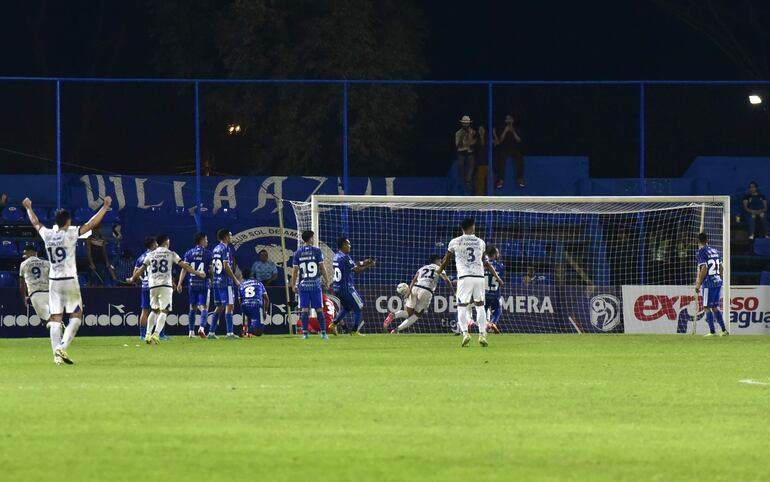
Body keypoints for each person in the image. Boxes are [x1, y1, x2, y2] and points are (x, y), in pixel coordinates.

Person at [23, 195, 113, 365]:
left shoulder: (48, 235)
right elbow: (92, 224)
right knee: (76, 315)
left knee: (56, 318)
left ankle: (57, 357)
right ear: (68, 221)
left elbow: (36, 223)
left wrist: (29, 208)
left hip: (54, 281)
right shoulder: (71, 233)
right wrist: (105, 206)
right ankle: (62, 346)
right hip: (69, 280)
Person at [128, 234, 205, 344]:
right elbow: (185, 266)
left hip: (153, 285)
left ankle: (148, 335)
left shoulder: (150, 254)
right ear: (166, 242)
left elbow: (140, 269)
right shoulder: (171, 254)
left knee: (154, 310)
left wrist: (133, 278)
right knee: (164, 311)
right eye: (169, 240)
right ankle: (156, 334)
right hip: (165, 285)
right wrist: (198, 273)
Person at [438, 217, 503, 347]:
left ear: (462, 228)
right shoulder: (481, 242)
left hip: (464, 278)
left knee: (462, 306)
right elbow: (486, 263)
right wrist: (497, 277)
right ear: (473, 227)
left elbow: (446, 260)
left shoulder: (455, 242)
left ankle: (465, 333)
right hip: (479, 278)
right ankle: (482, 335)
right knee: (480, 306)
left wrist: (439, 270)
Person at [383, 255, 454, 333]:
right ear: (436, 261)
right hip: (426, 290)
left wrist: (409, 291)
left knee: (408, 313)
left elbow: (414, 279)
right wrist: (453, 292)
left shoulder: (422, 268)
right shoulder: (439, 268)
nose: (441, 262)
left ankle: (393, 315)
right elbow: (446, 280)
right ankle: (396, 330)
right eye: (440, 261)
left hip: (415, 288)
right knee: (417, 314)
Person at [330, 237, 375, 336]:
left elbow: (351, 265)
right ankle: (354, 331)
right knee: (359, 306)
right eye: (348, 244)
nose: (350, 246)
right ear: (343, 245)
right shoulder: (345, 256)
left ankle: (333, 324)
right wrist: (368, 266)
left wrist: (364, 262)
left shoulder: (337, 256)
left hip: (337, 288)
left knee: (347, 307)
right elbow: (356, 270)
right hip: (346, 288)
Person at [18, 245, 56, 362]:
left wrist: (24, 297)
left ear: (31, 252)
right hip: (49, 293)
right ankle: (58, 327)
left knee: (47, 320)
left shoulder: (23, 265)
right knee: (51, 318)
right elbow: (54, 279)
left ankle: (58, 344)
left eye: (25, 253)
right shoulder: (46, 263)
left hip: (35, 294)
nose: (24, 256)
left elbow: (22, 284)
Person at [291, 230, 330, 339]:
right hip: (315, 284)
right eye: (313, 237)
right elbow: (322, 268)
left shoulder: (298, 253)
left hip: (303, 285)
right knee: (319, 309)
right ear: (310, 239)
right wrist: (327, 281)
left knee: (304, 310)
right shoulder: (317, 251)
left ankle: (305, 334)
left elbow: (295, 271)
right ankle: (323, 333)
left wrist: (293, 284)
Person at [177, 232, 213, 338]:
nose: (207, 241)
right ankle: (201, 328)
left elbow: (184, 269)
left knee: (192, 307)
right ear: (201, 240)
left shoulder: (189, 253)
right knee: (204, 307)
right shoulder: (208, 254)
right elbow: (210, 271)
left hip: (192, 284)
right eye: (206, 239)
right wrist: (213, 280)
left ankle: (191, 332)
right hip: (203, 284)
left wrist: (179, 283)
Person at [208, 229, 241, 339]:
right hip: (226, 282)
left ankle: (211, 333)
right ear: (226, 236)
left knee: (219, 307)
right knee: (230, 305)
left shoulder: (215, 248)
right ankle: (230, 333)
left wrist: (213, 280)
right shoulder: (226, 248)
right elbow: (226, 266)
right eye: (230, 235)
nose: (231, 237)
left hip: (217, 282)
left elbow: (212, 268)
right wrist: (235, 279)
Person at [694, 232, 727, 337]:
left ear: (698, 241)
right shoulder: (715, 251)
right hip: (717, 281)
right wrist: (720, 277)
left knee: (706, 307)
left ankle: (712, 332)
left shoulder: (701, 252)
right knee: (715, 307)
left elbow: (704, 268)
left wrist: (698, 283)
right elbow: (721, 267)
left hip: (708, 283)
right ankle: (724, 330)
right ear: (707, 240)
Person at [134, 237, 158, 340]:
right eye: (156, 243)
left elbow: (135, 274)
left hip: (145, 286)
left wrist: (143, 279)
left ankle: (142, 335)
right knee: (157, 310)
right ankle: (159, 334)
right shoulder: (156, 256)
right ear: (153, 245)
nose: (157, 245)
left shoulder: (140, 257)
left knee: (145, 311)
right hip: (154, 286)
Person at [493, 114, 525, 188]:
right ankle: (501, 180)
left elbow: (519, 140)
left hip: (514, 149)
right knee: (501, 158)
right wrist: (505, 131)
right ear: (505, 121)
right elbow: (500, 141)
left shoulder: (516, 129)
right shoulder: (502, 128)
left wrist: (513, 131)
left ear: (512, 120)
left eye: (510, 119)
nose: (508, 120)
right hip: (504, 149)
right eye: (507, 119)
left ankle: (520, 179)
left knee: (520, 158)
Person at [238, 270, 270, 337]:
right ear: (251, 276)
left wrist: (243, 311)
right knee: (259, 333)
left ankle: (245, 328)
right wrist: (265, 312)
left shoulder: (241, 285)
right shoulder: (259, 283)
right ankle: (248, 330)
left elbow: (240, 301)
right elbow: (266, 299)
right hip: (256, 306)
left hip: (245, 306)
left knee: (248, 315)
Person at [483, 246, 504, 334]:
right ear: (495, 254)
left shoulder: (482, 265)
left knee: (483, 310)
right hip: (495, 293)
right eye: (498, 253)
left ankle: (484, 327)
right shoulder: (500, 266)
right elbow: (500, 280)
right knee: (498, 309)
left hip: (483, 293)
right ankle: (493, 323)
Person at [455, 115, 477, 192]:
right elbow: (458, 145)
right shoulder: (458, 133)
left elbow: (473, 143)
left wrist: (471, 138)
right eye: (464, 123)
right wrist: (462, 137)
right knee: (461, 165)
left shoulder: (473, 132)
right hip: (461, 151)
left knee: (472, 163)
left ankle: (468, 181)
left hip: (470, 151)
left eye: (467, 123)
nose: (465, 125)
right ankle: (464, 181)